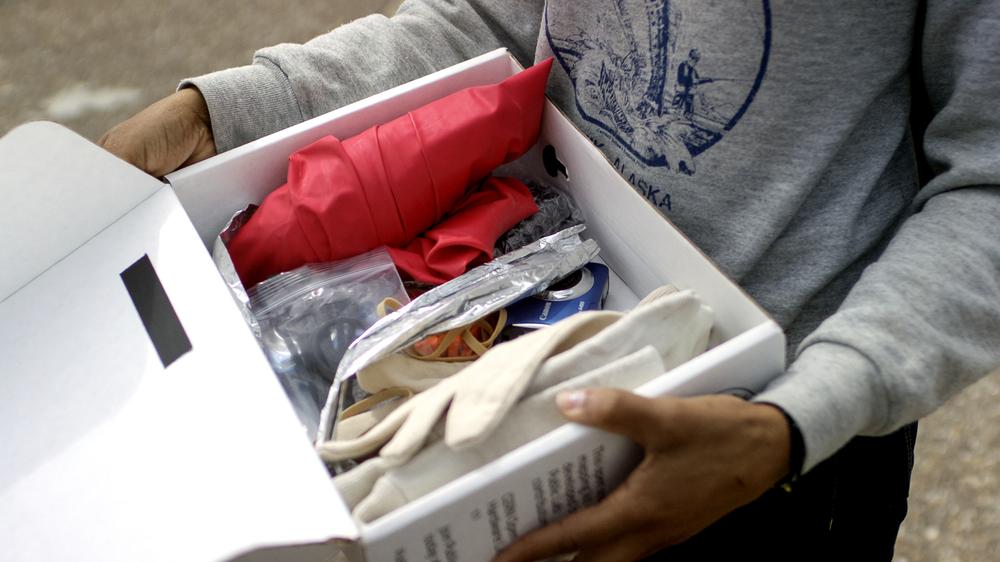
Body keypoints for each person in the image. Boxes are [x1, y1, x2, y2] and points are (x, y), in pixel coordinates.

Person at [99, 1, 1000, 560]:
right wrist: (215, 114)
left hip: (768, 446)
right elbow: (490, 23)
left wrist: (801, 420)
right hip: (544, 341)